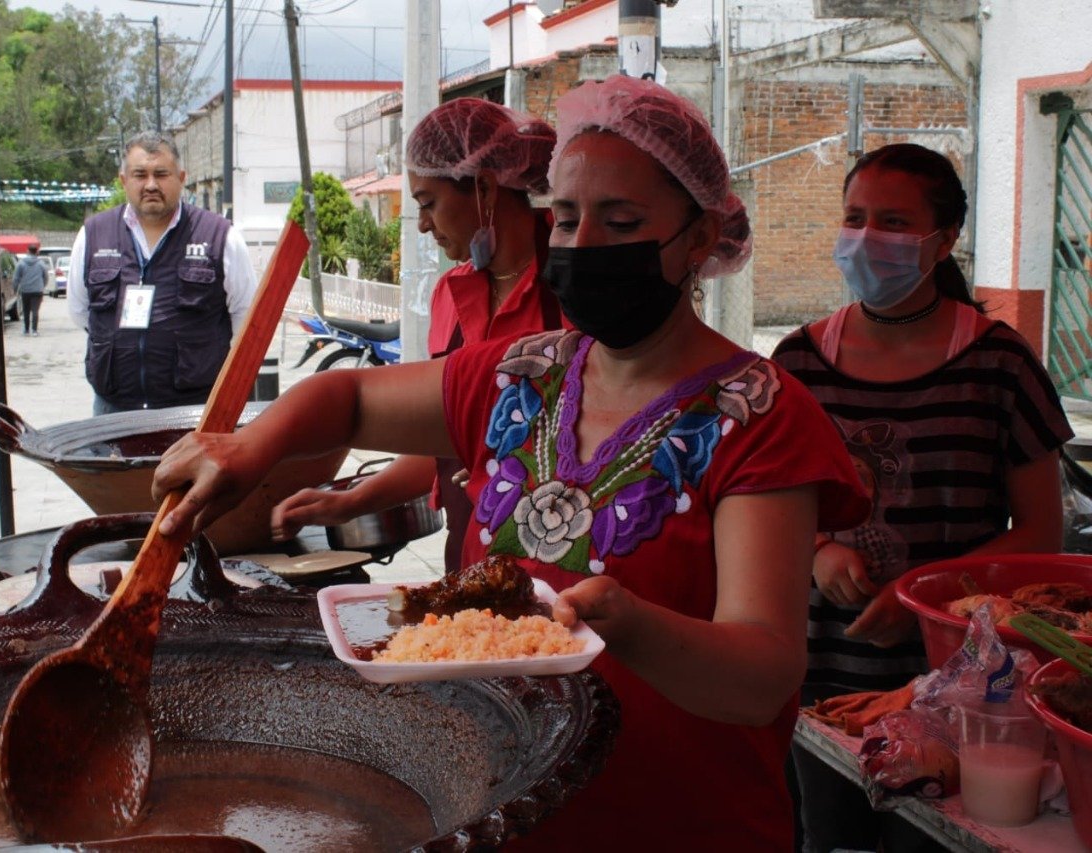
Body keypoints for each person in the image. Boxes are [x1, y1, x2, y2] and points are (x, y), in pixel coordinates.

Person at [151, 75, 870, 848]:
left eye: (620, 220)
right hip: (502, 814)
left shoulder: (758, 414)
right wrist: (248, 446)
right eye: (565, 218)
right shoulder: (520, 374)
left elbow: (761, 675)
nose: (583, 244)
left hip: (683, 823)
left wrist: (632, 625)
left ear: (699, 236)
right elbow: (348, 397)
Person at [772, 142, 1073, 853]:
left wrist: (921, 593)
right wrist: (817, 549)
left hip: (966, 694)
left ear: (944, 241)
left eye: (895, 222)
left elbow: (1041, 531)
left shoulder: (1001, 364)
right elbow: (765, 510)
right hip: (824, 685)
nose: (868, 237)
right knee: (830, 841)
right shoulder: (796, 364)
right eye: (855, 217)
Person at [271, 98, 562, 572]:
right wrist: (351, 502)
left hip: (554, 553)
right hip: (469, 547)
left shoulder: (574, 282)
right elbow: (443, 438)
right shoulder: (452, 292)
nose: (423, 224)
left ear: (484, 189)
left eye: (429, 203)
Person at [68, 131, 258, 415]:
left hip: (195, 413)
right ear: (124, 181)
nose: (151, 184)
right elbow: (80, 312)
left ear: (181, 178)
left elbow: (247, 319)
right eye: (140, 175)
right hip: (114, 412)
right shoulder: (94, 234)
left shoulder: (220, 236)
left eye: (161, 174)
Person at [12, 244, 47, 336]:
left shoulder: (21, 263)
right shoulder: (41, 263)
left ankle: (26, 330)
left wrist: (15, 289)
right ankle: (34, 330)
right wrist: (43, 286)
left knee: (26, 310)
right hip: (37, 290)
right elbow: (45, 276)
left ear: (28, 251)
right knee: (35, 310)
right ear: (36, 252)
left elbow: (16, 278)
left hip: (25, 290)